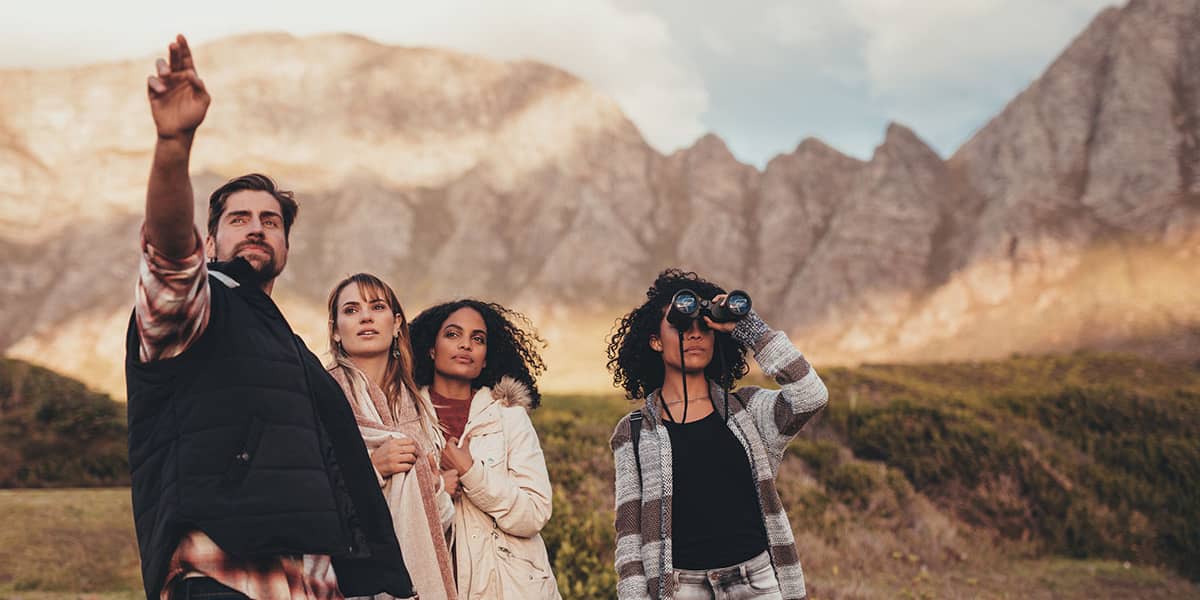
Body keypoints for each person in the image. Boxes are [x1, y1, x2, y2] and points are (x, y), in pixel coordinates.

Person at [124, 34, 411, 600]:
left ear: (286, 244)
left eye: (271, 220)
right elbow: (168, 252)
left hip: (310, 576)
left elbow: (335, 468)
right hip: (219, 573)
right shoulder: (197, 307)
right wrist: (174, 144)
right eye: (238, 219)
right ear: (208, 243)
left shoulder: (291, 347)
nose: (257, 227)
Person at [607, 269, 829, 600]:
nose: (694, 334)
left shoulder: (748, 411)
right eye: (681, 324)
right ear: (655, 341)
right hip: (682, 588)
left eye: (704, 325)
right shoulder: (634, 430)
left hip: (756, 581)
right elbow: (630, 536)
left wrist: (751, 330)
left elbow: (811, 395)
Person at [408, 300, 562, 599]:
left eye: (477, 339)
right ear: (431, 348)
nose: (465, 345)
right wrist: (437, 488)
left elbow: (534, 513)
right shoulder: (406, 416)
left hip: (510, 587)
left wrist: (471, 472)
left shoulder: (508, 416)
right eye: (453, 335)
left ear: (485, 358)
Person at [325, 273, 459, 600]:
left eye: (377, 306)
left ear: (396, 322)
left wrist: (436, 485)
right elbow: (306, 488)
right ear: (335, 330)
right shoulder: (323, 394)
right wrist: (372, 468)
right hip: (350, 579)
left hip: (417, 571)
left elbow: (437, 510)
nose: (366, 317)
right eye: (352, 310)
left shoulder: (418, 404)